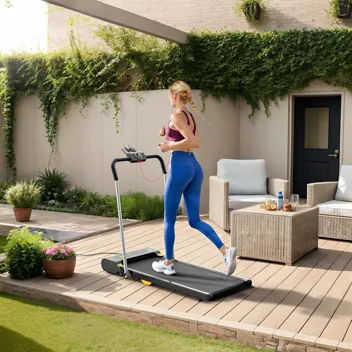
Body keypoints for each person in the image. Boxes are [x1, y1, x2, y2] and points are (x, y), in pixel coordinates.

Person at [152, 80, 237, 276]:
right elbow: (186, 141)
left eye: (169, 95)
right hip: (193, 167)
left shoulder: (176, 115)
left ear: (174, 95)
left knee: (168, 220)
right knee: (194, 220)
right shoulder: (188, 116)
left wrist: (168, 147)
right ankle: (226, 252)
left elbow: (194, 142)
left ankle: (168, 263)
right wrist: (167, 136)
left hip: (181, 166)